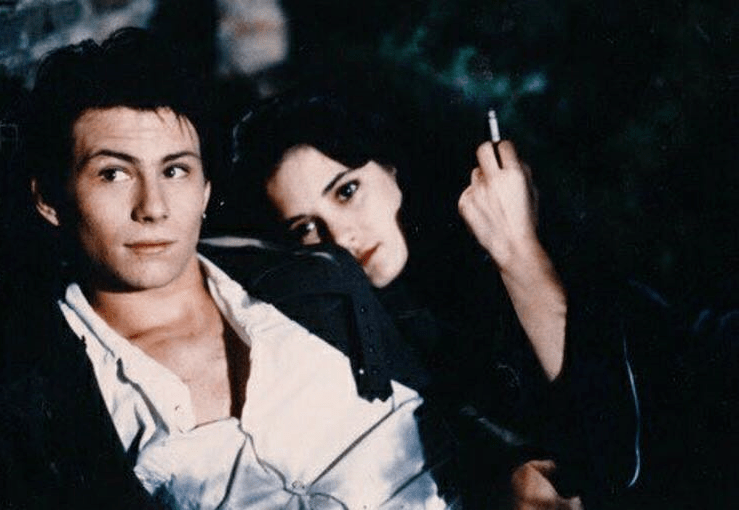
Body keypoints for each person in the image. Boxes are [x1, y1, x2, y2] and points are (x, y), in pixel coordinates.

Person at [0, 29, 462, 509]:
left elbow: (460, 403)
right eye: (114, 173)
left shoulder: (317, 280)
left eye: (175, 170)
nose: (153, 207)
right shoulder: (38, 387)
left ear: (204, 190)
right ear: (50, 200)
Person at [227, 88, 643, 508]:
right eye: (306, 228)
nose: (341, 236)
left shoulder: (502, 235)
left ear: (389, 167)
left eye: (347, 191)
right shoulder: (355, 338)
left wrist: (518, 250)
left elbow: (615, 452)